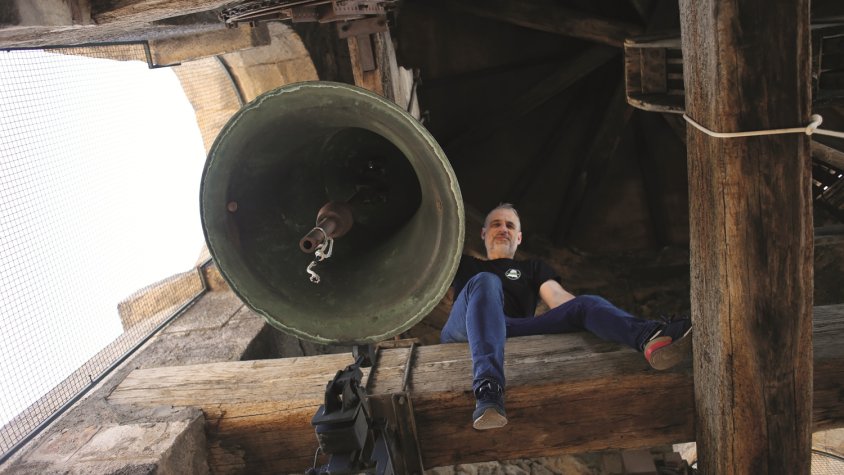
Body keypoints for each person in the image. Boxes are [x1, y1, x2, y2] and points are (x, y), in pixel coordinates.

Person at [440, 203, 692, 430]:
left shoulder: (532, 268)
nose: (503, 229)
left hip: (512, 328)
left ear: (519, 237)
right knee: (486, 281)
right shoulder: (466, 265)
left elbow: (557, 298)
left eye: (510, 225)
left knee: (586, 302)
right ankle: (488, 389)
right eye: (496, 224)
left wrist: (587, 315)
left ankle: (649, 336)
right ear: (483, 234)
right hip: (466, 327)